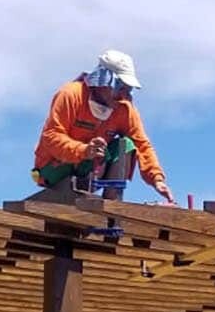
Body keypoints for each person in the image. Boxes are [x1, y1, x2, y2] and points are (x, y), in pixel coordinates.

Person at [30, 50, 175, 204]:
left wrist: (156, 179)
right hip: (55, 169)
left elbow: (142, 144)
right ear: (104, 81)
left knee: (126, 145)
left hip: (88, 172)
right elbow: (51, 137)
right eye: (120, 87)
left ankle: (111, 207)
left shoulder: (124, 109)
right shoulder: (71, 95)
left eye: (128, 89)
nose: (124, 95)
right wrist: (84, 150)